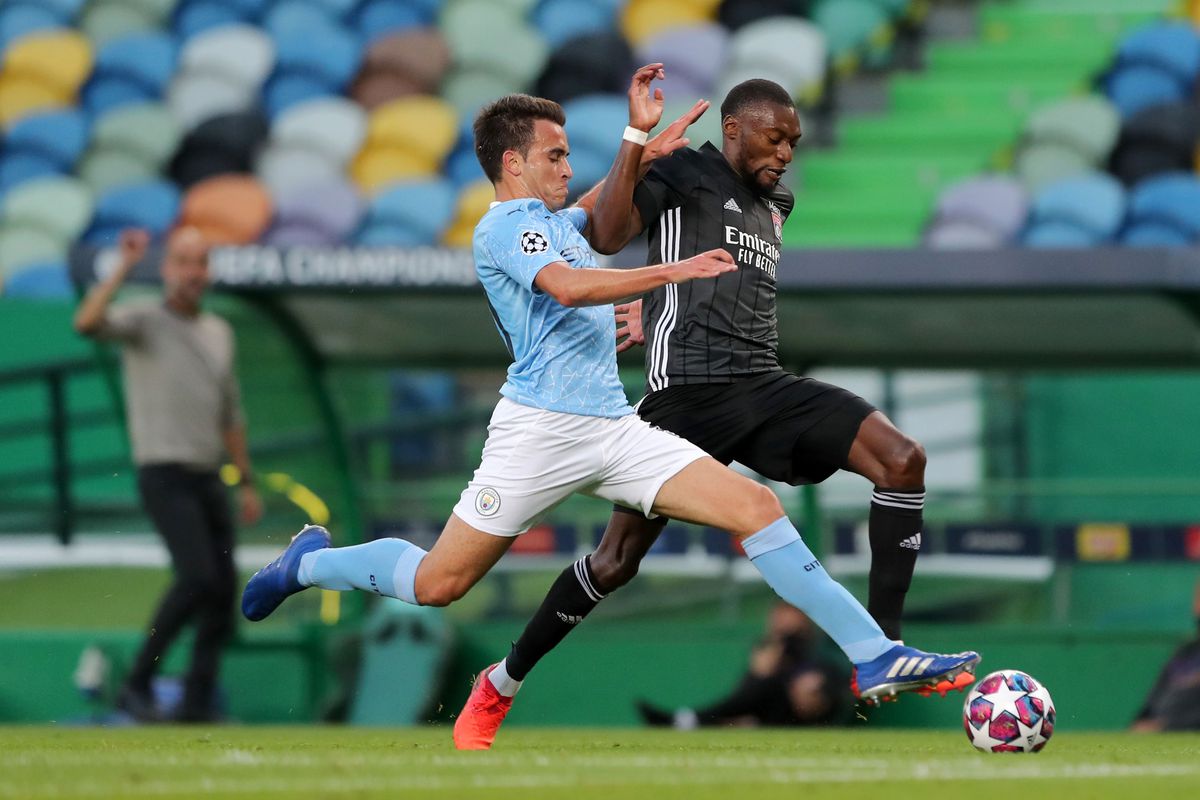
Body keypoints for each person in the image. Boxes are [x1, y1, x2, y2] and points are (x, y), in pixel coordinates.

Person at [241, 64, 978, 749]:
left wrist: (639, 147)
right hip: (538, 431)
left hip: (616, 428)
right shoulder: (503, 228)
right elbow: (568, 287)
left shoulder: (555, 222)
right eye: (555, 155)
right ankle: (310, 565)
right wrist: (673, 272)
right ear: (513, 164)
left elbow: (600, 217)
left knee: (756, 509)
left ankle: (874, 653)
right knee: (439, 583)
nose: (567, 167)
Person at [456, 76, 967, 746]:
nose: (786, 153)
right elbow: (607, 234)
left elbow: (729, 283)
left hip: (762, 383)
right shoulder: (684, 170)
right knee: (614, 562)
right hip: (685, 397)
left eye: (794, 142)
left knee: (902, 459)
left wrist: (659, 307)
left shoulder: (777, 202)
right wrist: (638, 147)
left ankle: (883, 652)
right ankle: (503, 680)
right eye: (774, 138)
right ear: (733, 129)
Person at [74, 226, 262, 722]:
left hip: (208, 475)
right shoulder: (144, 319)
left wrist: (246, 482)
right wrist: (122, 266)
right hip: (164, 472)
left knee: (222, 592)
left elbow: (231, 415)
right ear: (166, 269)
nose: (192, 273)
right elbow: (86, 323)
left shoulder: (219, 331)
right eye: (183, 261)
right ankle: (137, 683)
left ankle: (197, 701)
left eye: (200, 262)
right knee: (196, 577)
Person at [636, 603, 850, 729]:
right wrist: (763, 667)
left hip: (816, 711)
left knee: (769, 689)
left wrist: (814, 682)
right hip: (773, 714)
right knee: (762, 689)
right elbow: (749, 689)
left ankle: (687, 720)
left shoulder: (820, 644)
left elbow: (833, 674)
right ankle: (690, 721)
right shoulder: (769, 647)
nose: (782, 620)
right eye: (778, 615)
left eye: (789, 614)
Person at [1131, 578, 1200, 732]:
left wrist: (1168, 726)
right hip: (1158, 731)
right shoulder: (1187, 651)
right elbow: (1151, 703)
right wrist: (1142, 721)